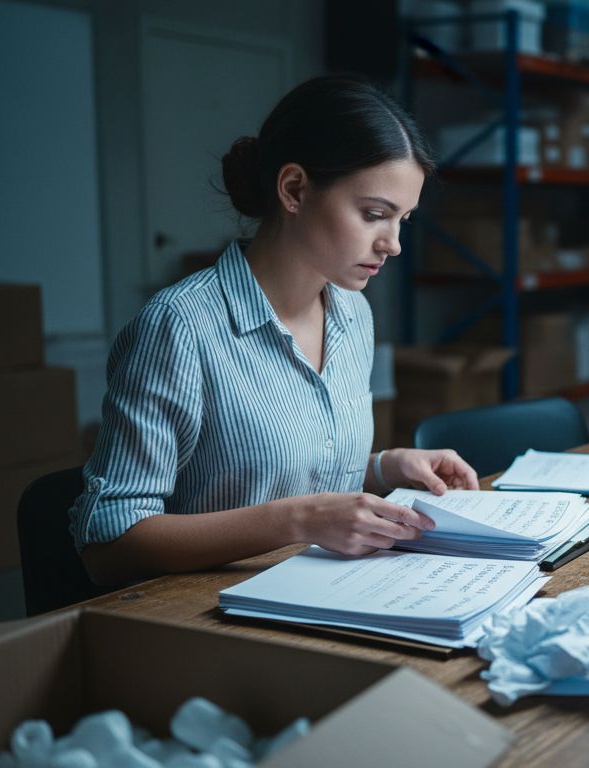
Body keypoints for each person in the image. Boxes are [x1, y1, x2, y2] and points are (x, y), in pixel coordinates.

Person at [70, 76, 478, 585]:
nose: (392, 244)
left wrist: (386, 467)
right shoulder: (180, 328)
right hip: (209, 615)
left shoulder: (353, 314)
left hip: (332, 590)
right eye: (374, 215)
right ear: (294, 190)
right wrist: (298, 521)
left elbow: (289, 468)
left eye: (404, 220)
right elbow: (107, 542)